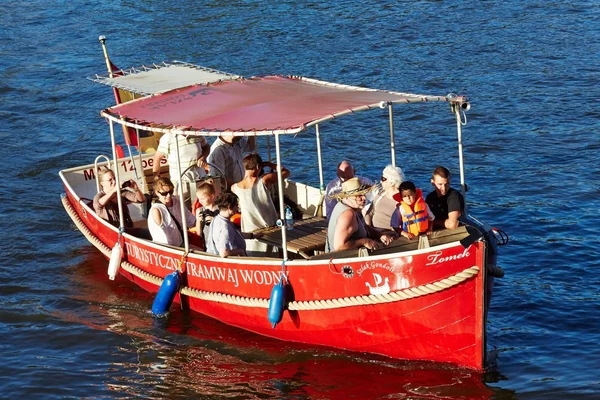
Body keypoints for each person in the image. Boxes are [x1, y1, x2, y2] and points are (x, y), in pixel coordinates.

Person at [231, 153, 290, 256]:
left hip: (250, 233)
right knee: (273, 258)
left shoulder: (234, 188)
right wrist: (270, 164)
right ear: (258, 167)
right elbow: (286, 172)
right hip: (270, 230)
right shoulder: (265, 180)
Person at [326, 178, 394, 252]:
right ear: (347, 197)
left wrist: (380, 235)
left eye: (364, 194)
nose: (364, 198)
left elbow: (364, 227)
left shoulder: (351, 207)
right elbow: (339, 247)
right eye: (359, 195)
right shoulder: (348, 214)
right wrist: (364, 241)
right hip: (341, 260)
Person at [151, 132, 210, 198]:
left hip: (200, 178)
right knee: (184, 205)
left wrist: (203, 157)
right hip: (180, 181)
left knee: (204, 203)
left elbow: (206, 147)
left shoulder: (196, 132)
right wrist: (156, 179)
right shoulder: (168, 137)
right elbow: (157, 157)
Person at [206, 192, 258, 258]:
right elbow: (224, 253)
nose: (238, 207)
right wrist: (240, 251)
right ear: (230, 207)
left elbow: (235, 234)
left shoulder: (216, 219)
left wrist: (252, 235)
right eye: (236, 205)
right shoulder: (225, 228)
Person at [147, 177, 197, 246]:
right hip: (169, 249)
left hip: (182, 242)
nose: (169, 195)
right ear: (157, 193)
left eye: (171, 192)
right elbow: (162, 238)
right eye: (164, 193)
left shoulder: (177, 202)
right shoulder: (157, 210)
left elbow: (191, 220)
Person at [364, 164, 405, 231]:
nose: (381, 181)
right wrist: (369, 229)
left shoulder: (401, 201)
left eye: (383, 179)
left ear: (392, 183)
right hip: (373, 232)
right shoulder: (381, 194)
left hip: (390, 236)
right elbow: (369, 213)